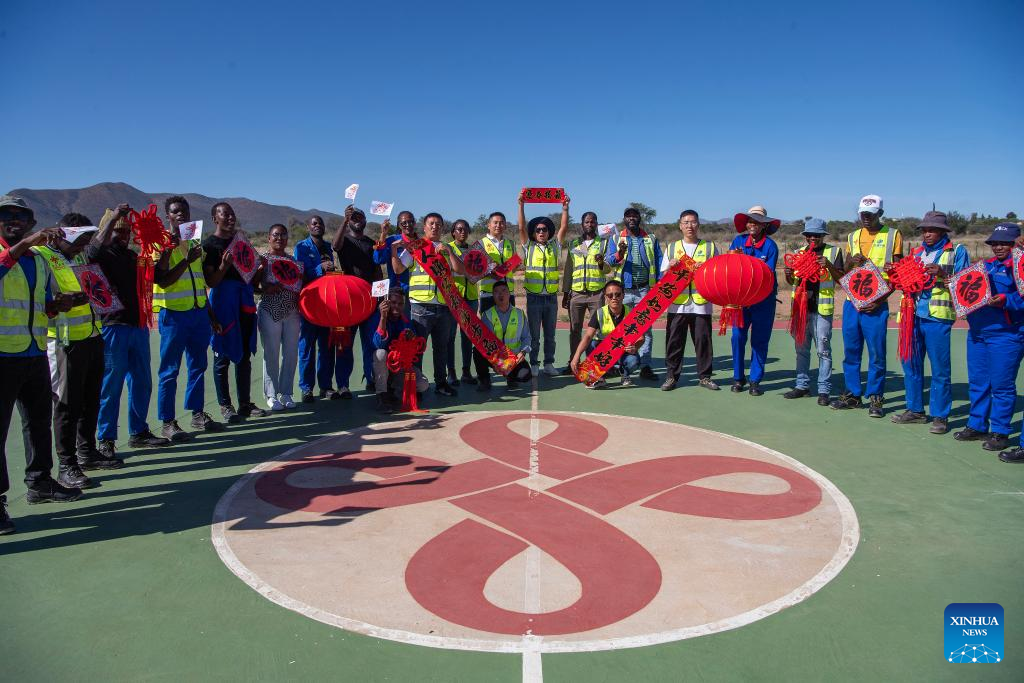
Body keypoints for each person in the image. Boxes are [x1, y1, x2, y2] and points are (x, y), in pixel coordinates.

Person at [0, 196, 83, 535]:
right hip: (2, 355)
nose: (14, 220)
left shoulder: (38, 261)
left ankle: (40, 481)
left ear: (31, 223)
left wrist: (58, 304)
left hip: (33, 351)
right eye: (7, 215)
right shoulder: (11, 253)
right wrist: (25, 244)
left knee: (37, 422)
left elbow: (41, 304)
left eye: (21, 217)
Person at [37, 215, 119, 491]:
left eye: (86, 241)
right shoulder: (43, 256)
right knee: (66, 405)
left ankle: (87, 452)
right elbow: (41, 298)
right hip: (64, 341)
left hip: (92, 335)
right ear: (64, 235)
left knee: (90, 399)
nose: (83, 246)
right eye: (79, 240)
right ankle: (67, 465)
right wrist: (64, 301)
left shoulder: (80, 256)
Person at [89, 203, 170, 460]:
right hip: (113, 326)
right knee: (111, 385)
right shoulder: (100, 255)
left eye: (127, 232)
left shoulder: (133, 257)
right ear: (107, 230)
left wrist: (167, 250)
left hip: (138, 326)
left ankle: (138, 431)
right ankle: (106, 438)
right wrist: (114, 217)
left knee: (142, 382)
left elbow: (157, 276)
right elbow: (93, 248)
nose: (124, 236)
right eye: (118, 231)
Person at [890, 211, 969, 434]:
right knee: (911, 364)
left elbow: (966, 283)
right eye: (924, 230)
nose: (927, 234)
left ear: (943, 231)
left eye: (932, 230)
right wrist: (896, 273)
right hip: (911, 316)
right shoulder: (916, 253)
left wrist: (943, 274)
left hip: (937, 318)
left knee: (940, 369)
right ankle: (915, 410)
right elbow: (905, 282)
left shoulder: (957, 252)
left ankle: (940, 415)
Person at [153, 196, 224, 441]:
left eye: (184, 210)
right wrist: (183, 258)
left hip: (197, 313)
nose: (181, 214)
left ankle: (197, 413)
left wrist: (210, 314)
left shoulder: (194, 240)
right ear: (168, 216)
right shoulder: (159, 242)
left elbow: (200, 281)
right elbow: (162, 280)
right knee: (169, 370)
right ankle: (168, 422)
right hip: (173, 314)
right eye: (175, 211)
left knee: (198, 365)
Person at [954, 223, 1024, 460]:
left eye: (1005, 243)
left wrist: (1006, 300)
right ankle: (977, 425)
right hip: (978, 333)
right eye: (995, 243)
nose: (999, 247)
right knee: (978, 381)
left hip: (1006, 334)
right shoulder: (985, 266)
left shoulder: (1019, 267)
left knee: (1001, 385)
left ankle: (1000, 431)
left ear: (1015, 244)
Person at [832, 195, 903, 417]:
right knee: (851, 351)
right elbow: (844, 272)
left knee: (876, 352)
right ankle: (853, 394)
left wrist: (879, 301)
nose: (866, 218)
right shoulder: (853, 236)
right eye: (863, 213)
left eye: (870, 214)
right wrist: (850, 262)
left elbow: (897, 274)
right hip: (852, 302)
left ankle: (875, 397)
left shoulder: (893, 235)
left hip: (876, 304)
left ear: (880, 213)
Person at [202, 202, 267, 422]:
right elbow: (211, 281)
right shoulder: (209, 246)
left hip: (245, 302)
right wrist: (224, 266)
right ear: (215, 218)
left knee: (244, 355)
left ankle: (245, 404)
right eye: (225, 214)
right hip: (224, 303)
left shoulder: (241, 242)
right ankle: (225, 406)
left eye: (232, 214)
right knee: (222, 356)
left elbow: (251, 279)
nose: (230, 218)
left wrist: (259, 268)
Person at [391, 212, 462, 397]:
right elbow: (398, 269)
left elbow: (460, 270)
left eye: (438, 224)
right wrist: (393, 251)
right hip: (420, 307)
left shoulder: (447, 248)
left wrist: (450, 253)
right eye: (431, 223)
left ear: (443, 228)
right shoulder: (416, 247)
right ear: (424, 227)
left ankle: (441, 383)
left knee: (441, 348)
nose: (435, 227)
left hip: (444, 307)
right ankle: (417, 385)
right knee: (417, 349)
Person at [782, 218, 844, 405]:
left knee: (823, 350)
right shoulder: (798, 253)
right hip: (801, 309)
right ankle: (802, 386)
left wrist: (828, 265)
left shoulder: (833, 252)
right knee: (801, 349)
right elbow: (793, 282)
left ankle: (824, 390)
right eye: (809, 235)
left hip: (821, 309)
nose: (813, 238)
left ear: (823, 236)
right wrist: (788, 275)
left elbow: (842, 279)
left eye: (817, 235)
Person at [661, 209, 719, 391]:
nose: (689, 226)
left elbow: (718, 274)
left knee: (703, 342)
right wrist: (670, 267)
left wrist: (706, 268)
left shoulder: (710, 247)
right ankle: (671, 377)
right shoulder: (672, 248)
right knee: (674, 342)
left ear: (698, 224)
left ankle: (705, 377)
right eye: (686, 222)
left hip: (701, 304)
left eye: (693, 222)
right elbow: (663, 276)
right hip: (677, 305)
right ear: (680, 226)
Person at [728, 206, 780, 396]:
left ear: (764, 225)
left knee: (759, 341)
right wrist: (735, 258)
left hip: (763, 300)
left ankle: (755, 380)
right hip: (740, 301)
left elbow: (766, 274)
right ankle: (738, 377)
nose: (753, 225)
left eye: (758, 222)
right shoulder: (738, 241)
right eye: (750, 221)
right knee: (737, 337)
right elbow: (730, 268)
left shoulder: (770, 246)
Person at [605, 207, 661, 380]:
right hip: (622, 292)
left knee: (646, 330)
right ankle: (618, 365)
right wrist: (620, 253)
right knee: (619, 329)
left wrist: (659, 285)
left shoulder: (651, 238)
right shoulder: (616, 238)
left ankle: (645, 366)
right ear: (624, 219)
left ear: (639, 218)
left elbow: (659, 262)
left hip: (645, 290)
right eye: (628, 216)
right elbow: (609, 262)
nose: (631, 219)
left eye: (634, 216)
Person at [332, 205, 383, 395]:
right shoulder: (344, 240)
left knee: (371, 344)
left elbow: (377, 271)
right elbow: (335, 246)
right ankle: (343, 385)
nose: (357, 220)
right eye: (353, 217)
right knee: (344, 345)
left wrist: (380, 297)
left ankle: (371, 379)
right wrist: (344, 220)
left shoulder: (371, 243)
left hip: (370, 301)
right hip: (349, 302)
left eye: (360, 217)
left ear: (365, 221)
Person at [518, 190, 569, 377]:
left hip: (551, 298)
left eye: (544, 229)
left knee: (550, 335)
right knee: (534, 336)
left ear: (549, 232)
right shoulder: (528, 246)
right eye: (538, 230)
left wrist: (565, 208)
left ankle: (549, 363)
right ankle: (534, 363)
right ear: (533, 232)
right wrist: (521, 205)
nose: (541, 232)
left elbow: (564, 227)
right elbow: (521, 228)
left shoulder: (555, 246)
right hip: (534, 298)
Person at [256, 224, 301, 410]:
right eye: (275, 235)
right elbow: (253, 286)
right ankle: (271, 395)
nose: (279, 238)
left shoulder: (294, 262)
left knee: (291, 354)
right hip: (269, 311)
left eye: (283, 235)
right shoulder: (262, 260)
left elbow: (299, 286)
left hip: (292, 312)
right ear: (269, 238)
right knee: (271, 354)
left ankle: (287, 393)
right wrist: (266, 289)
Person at [294, 214, 338, 402]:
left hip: (327, 304)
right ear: (308, 227)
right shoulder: (301, 247)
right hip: (310, 302)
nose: (317, 225)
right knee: (307, 347)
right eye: (314, 223)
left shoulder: (328, 247)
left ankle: (325, 386)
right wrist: (321, 268)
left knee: (327, 346)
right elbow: (300, 274)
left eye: (320, 223)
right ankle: (306, 388)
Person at [561, 210, 609, 373]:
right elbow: (569, 269)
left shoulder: (603, 243)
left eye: (592, 221)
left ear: (596, 224)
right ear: (582, 224)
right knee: (575, 329)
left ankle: (596, 363)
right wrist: (566, 293)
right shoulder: (575, 244)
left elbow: (607, 270)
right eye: (587, 222)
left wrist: (601, 263)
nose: (590, 224)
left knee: (598, 330)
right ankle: (573, 363)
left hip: (596, 293)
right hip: (577, 293)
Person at [570, 279, 639, 388]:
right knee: (591, 344)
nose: (614, 298)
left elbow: (641, 338)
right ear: (606, 297)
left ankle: (624, 373)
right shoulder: (600, 313)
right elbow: (588, 336)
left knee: (634, 360)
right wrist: (576, 357)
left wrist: (635, 347)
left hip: (622, 351)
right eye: (610, 295)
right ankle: (599, 377)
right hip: (604, 352)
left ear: (623, 295)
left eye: (618, 294)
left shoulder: (631, 313)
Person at [371, 288, 428, 413]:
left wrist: (411, 341)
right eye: (393, 303)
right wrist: (383, 318)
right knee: (380, 354)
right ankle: (382, 395)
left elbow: (415, 350)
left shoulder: (406, 321)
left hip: (400, 367)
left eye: (400, 303)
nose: (397, 306)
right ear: (387, 302)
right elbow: (378, 344)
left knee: (423, 384)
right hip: (384, 366)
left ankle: (396, 390)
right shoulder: (377, 317)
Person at [480, 280, 532, 390]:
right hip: (495, 357)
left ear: (509, 294)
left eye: (504, 291)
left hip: (513, 357)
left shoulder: (519, 313)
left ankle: (511, 377)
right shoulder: (487, 315)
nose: (501, 294)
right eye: (497, 292)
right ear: (493, 296)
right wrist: (496, 362)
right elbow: (486, 342)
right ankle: (485, 380)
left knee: (525, 375)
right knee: (477, 351)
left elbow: (526, 337)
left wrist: (523, 352)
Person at [445, 219, 479, 386]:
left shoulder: (474, 250)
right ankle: (451, 373)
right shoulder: (446, 248)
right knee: (450, 336)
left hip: (471, 297)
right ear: (453, 232)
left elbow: (478, 272)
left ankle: (466, 372)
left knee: (468, 337)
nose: (462, 232)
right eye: (459, 229)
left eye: (465, 229)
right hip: (454, 298)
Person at [477, 211, 518, 313]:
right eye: (495, 222)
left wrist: (516, 266)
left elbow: (513, 270)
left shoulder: (511, 244)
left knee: (509, 322)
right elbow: (476, 270)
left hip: (508, 293)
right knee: (487, 323)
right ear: (488, 225)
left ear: (505, 225)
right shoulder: (480, 244)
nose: (498, 225)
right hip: (488, 293)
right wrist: (491, 270)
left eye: (501, 223)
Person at [374, 210, 415, 299]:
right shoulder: (392, 241)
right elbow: (378, 259)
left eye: (410, 221)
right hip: (397, 292)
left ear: (415, 223)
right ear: (399, 225)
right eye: (404, 223)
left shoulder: (421, 243)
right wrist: (383, 234)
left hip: (417, 291)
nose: (408, 225)